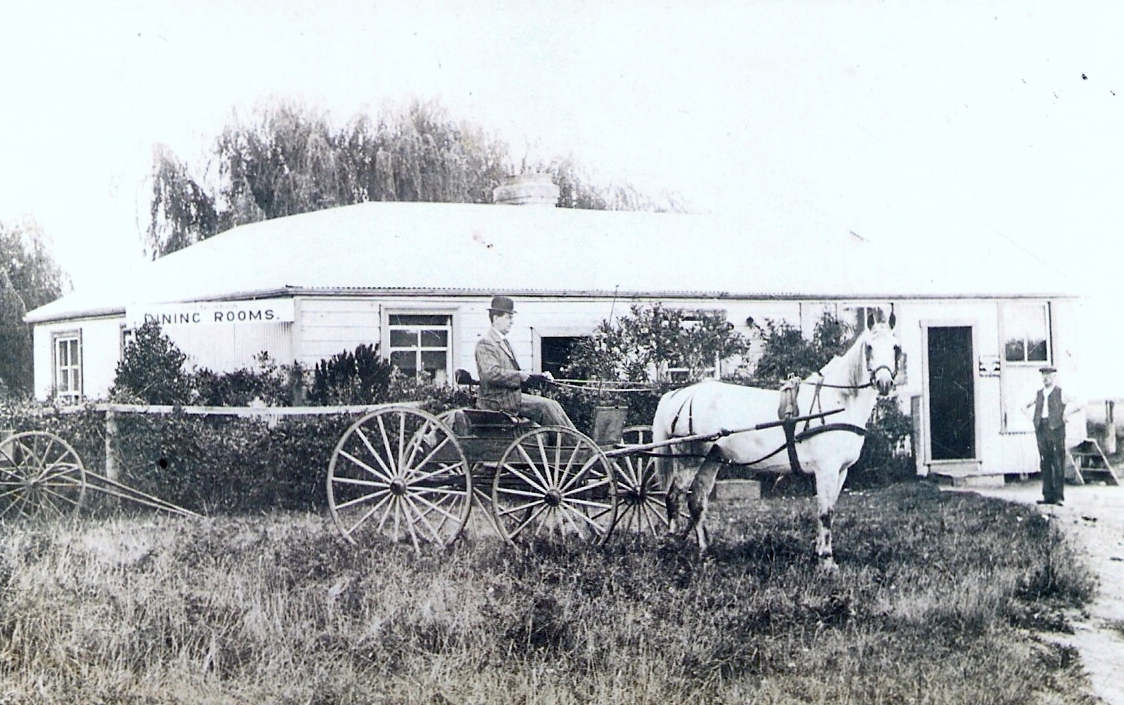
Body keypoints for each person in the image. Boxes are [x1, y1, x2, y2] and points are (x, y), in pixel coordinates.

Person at [475, 295, 575, 429]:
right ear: (496, 318)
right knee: (547, 406)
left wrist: (538, 377)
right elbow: (490, 373)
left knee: (553, 405)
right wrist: (519, 376)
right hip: (499, 401)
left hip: (509, 397)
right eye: (508, 317)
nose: (512, 322)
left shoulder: (503, 342)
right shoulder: (486, 343)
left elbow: (511, 373)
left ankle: (573, 441)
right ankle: (578, 445)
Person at [1025, 365, 1079, 506]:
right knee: (1045, 462)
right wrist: (1033, 418)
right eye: (1043, 374)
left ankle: (1058, 496)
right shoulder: (1039, 394)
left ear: (1054, 376)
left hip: (1056, 429)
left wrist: (1066, 414)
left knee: (1058, 462)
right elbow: (1023, 406)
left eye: (1048, 374)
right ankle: (1047, 496)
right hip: (1041, 429)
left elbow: (1080, 402)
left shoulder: (1061, 392)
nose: (1045, 377)